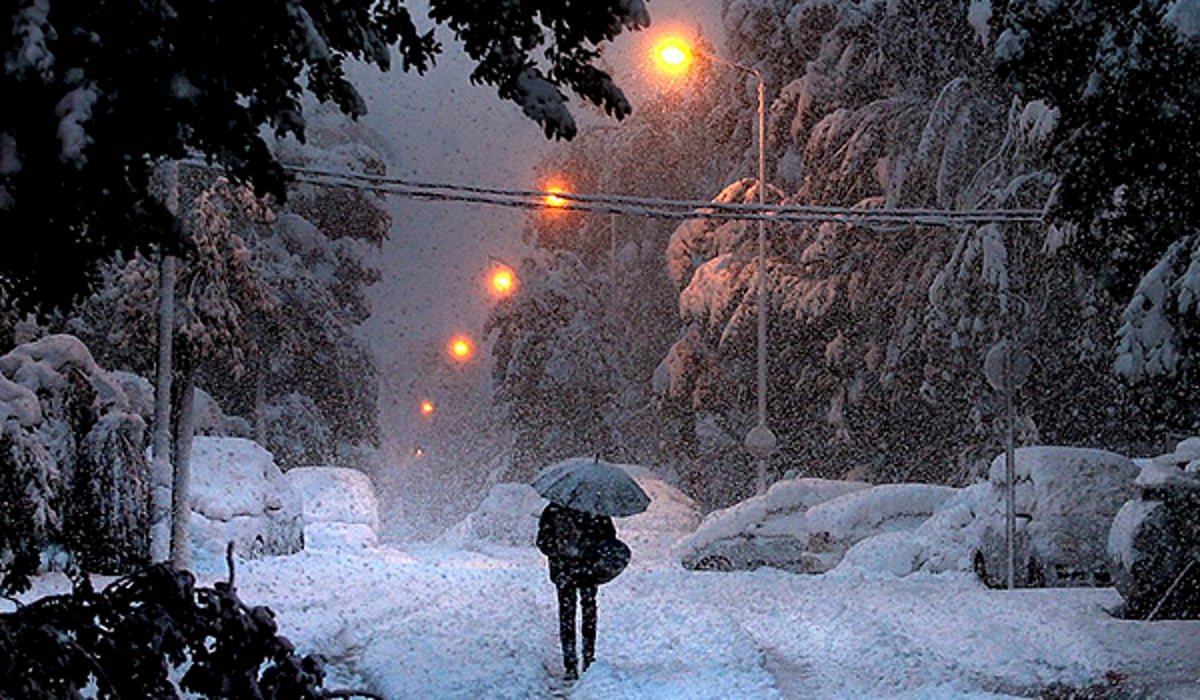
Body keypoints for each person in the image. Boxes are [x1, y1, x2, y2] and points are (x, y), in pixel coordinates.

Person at [536, 501, 616, 680]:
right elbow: (610, 538)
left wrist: (559, 553)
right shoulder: (596, 509)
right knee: (589, 611)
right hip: (588, 570)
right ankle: (589, 658)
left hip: (564, 571)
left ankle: (570, 664)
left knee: (567, 614)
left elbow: (542, 542)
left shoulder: (553, 510)